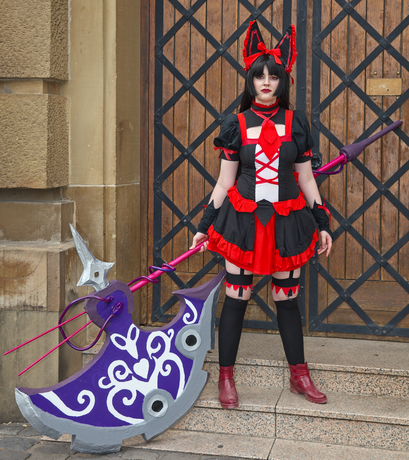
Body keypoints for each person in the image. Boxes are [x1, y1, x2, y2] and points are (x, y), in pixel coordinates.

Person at [190, 21, 332, 408]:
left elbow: (306, 178)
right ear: (250, 80)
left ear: (282, 81)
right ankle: (226, 378)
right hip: (243, 222)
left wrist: (323, 223)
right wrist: (204, 227)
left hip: (287, 221)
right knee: (237, 296)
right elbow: (224, 182)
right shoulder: (235, 124)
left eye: (273, 76)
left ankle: (299, 376)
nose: (266, 82)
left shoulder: (296, 122)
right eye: (259, 76)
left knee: (287, 298)